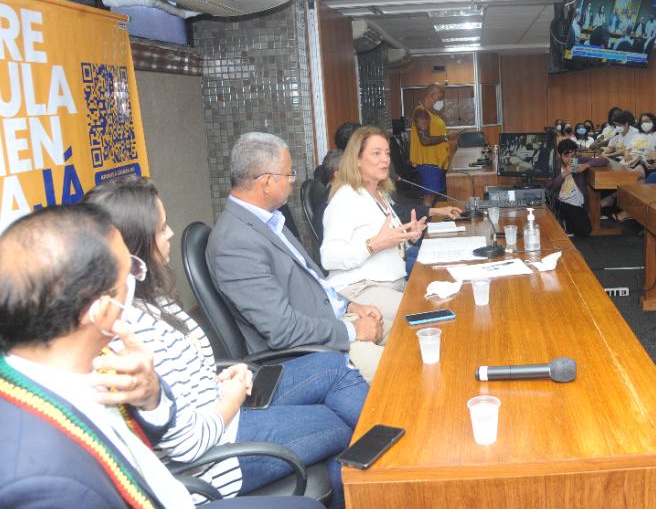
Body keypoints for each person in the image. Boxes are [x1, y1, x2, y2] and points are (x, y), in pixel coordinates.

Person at [0, 205, 322, 509]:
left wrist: (152, 396)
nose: (136, 279)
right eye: (129, 272)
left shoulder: (76, 364)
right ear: (99, 310)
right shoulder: (44, 481)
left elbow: (150, 434)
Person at [84, 178, 367, 508]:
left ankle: (389, 470)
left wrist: (224, 377)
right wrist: (231, 398)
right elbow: (188, 443)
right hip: (219, 457)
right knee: (342, 424)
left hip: (223, 404)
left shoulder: (151, 298)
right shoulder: (128, 331)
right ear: (133, 245)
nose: (170, 233)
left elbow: (184, 382)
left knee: (335, 366)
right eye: (161, 229)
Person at [207, 132, 387, 382]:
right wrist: (353, 330)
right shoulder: (234, 243)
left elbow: (312, 280)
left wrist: (350, 305)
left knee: (413, 331)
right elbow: (282, 330)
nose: (293, 181)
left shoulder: (269, 219)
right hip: (314, 351)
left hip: (331, 320)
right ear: (266, 182)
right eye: (289, 174)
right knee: (406, 370)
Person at [321, 126, 427, 326]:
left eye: (387, 153)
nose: (385, 159)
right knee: (424, 313)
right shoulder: (346, 198)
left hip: (390, 285)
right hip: (359, 291)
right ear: (357, 160)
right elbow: (329, 258)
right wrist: (373, 245)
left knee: (439, 301)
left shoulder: (379, 194)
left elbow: (389, 246)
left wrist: (409, 238)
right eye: (376, 153)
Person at [548, 139, 608, 237]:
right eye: (566, 156)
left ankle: (565, 223)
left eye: (572, 156)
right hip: (559, 202)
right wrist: (564, 173)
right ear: (559, 155)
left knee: (584, 230)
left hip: (576, 205)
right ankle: (565, 222)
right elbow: (550, 187)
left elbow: (604, 160)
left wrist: (586, 165)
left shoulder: (579, 161)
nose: (570, 159)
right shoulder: (555, 165)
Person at [410, 84, 456, 207]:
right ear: (432, 95)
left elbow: (435, 133)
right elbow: (425, 140)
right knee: (429, 196)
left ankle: (430, 217)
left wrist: (447, 135)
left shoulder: (433, 113)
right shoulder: (421, 112)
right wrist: (446, 137)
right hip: (428, 163)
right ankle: (424, 218)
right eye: (440, 98)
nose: (441, 101)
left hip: (437, 162)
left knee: (434, 194)